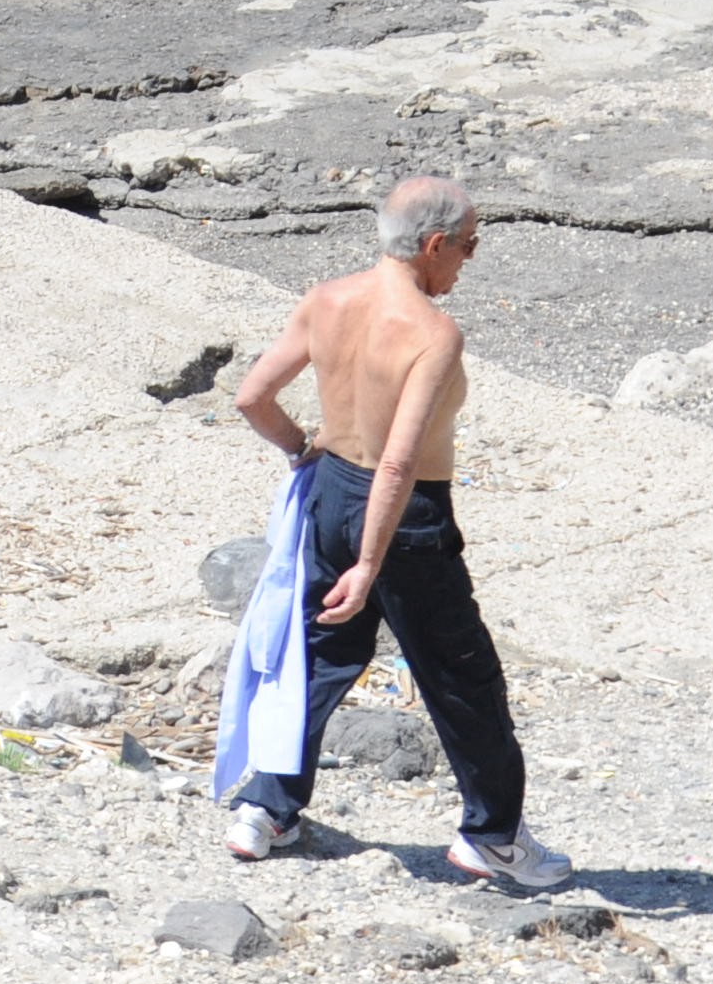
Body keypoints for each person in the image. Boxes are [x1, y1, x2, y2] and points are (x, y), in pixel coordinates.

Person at [222, 174, 571, 892]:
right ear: (435, 244)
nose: (469, 260)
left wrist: (299, 449)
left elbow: (252, 396)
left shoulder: (327, 300)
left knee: (317, 658)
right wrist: (372, 562)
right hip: (404, 517)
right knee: (463, 679)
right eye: (469, 246)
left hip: (329, 494)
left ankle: (266, 809)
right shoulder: (432, 333)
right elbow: (400, 460)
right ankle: (494, 837)